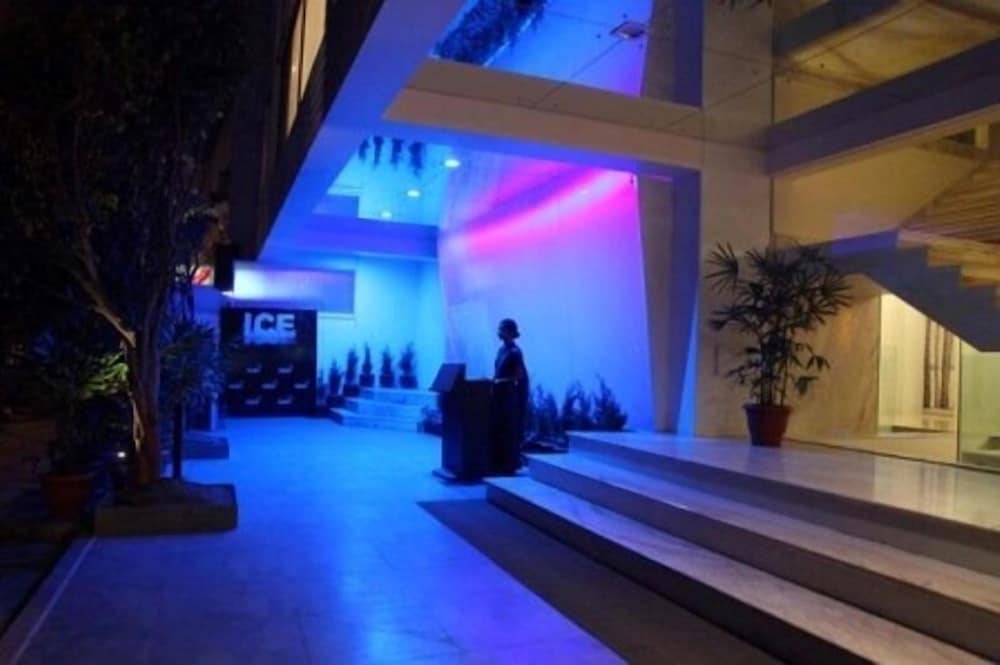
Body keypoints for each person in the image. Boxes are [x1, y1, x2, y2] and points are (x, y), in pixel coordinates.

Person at [493, 318, 529, 469]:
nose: (499, 332)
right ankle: (500, 461)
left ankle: (511, 463)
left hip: (509, 396)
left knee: (510, 429)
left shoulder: (515, 352)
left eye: (502, 329)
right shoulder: (501, 350)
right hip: (499, 395)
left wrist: (500, 382)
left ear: (509, 332)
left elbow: (519, 376)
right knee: (500, 429)